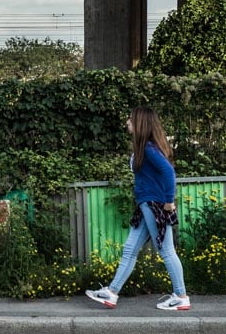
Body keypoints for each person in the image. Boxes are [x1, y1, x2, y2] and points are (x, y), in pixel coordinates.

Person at [85, 106, 190, 311]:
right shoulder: (145, 148)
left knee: (166, 250)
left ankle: (181, 296)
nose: (127, 123)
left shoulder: (150, 149)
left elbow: (168, 172)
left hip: (154, 204)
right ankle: (112, 293)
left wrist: (169, 201)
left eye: (130, 120)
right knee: (130, 249)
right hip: (145, 205)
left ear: (140, 123)